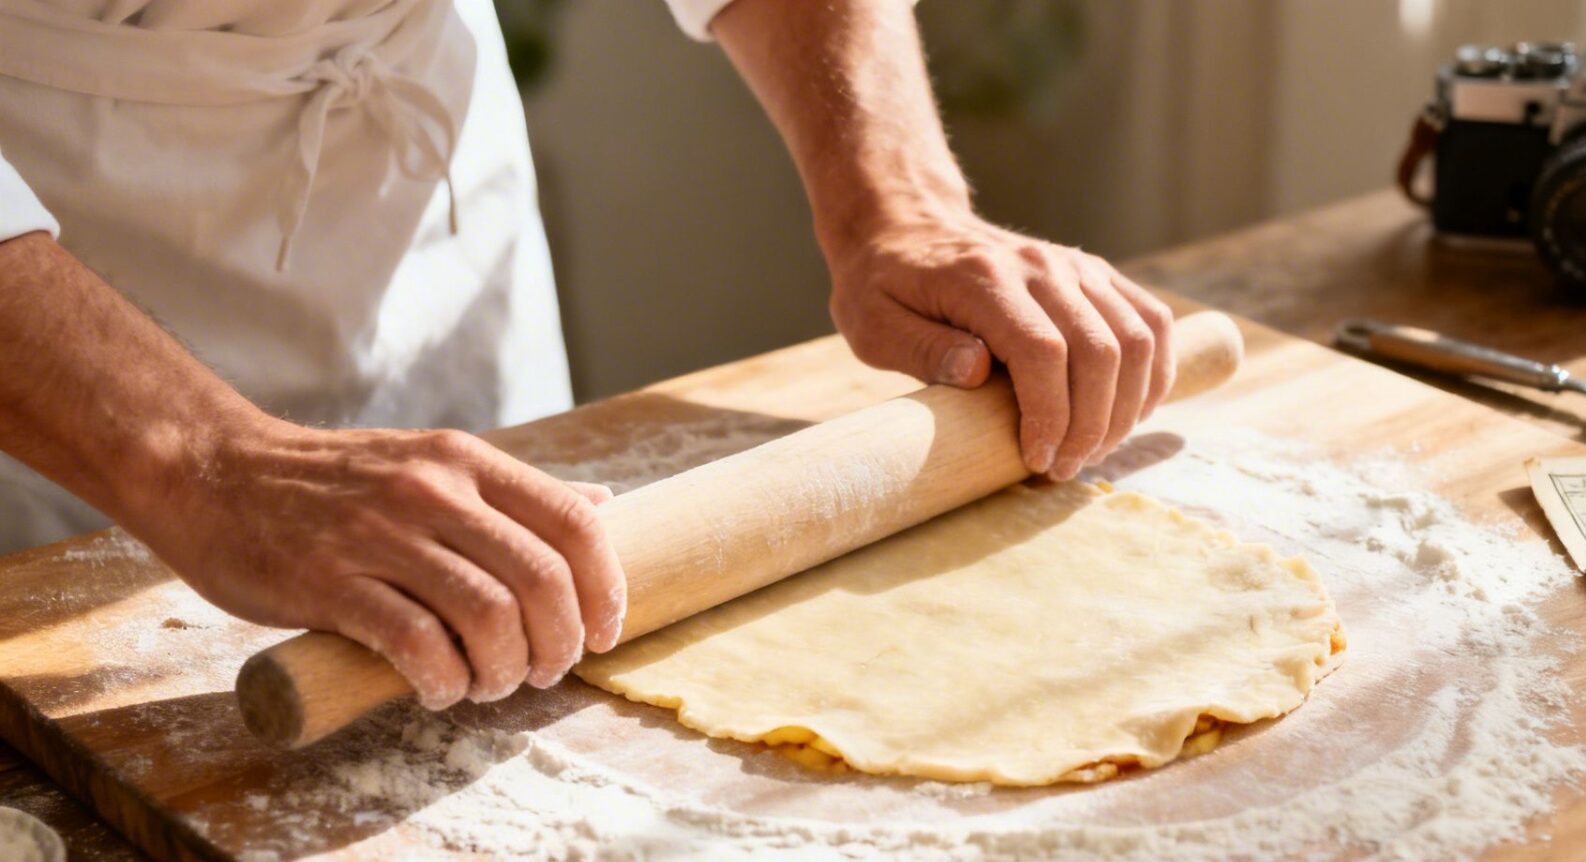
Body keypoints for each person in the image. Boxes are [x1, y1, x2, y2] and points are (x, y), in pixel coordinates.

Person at [0, 0, 1177, 710]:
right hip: (53, 280)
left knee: (525, 634)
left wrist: (900, 198)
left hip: (413, 172)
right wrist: (199, 462)